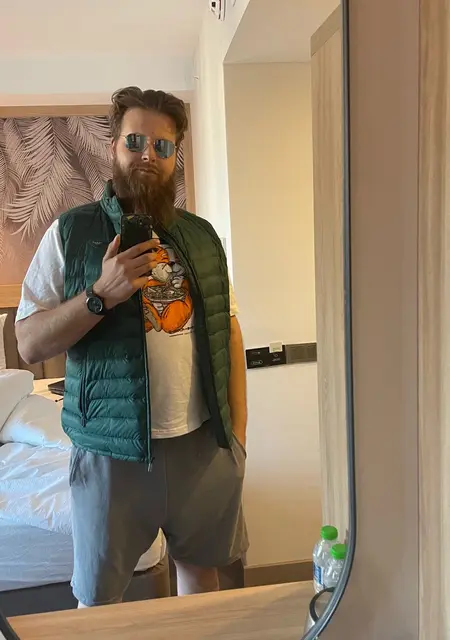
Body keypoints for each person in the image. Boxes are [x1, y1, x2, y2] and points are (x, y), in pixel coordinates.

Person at [15, 87, 248, 608]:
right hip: (109, 452)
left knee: (201, 588)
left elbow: (229, 331)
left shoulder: (203, 237)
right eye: (135, 141)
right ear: (113, 147)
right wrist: (99, 295)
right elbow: (28, 343)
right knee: (97, 604)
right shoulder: (71, 233)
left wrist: (238, 438)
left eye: (162, 146)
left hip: (201, 443)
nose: (147, 155)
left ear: (175, 156)